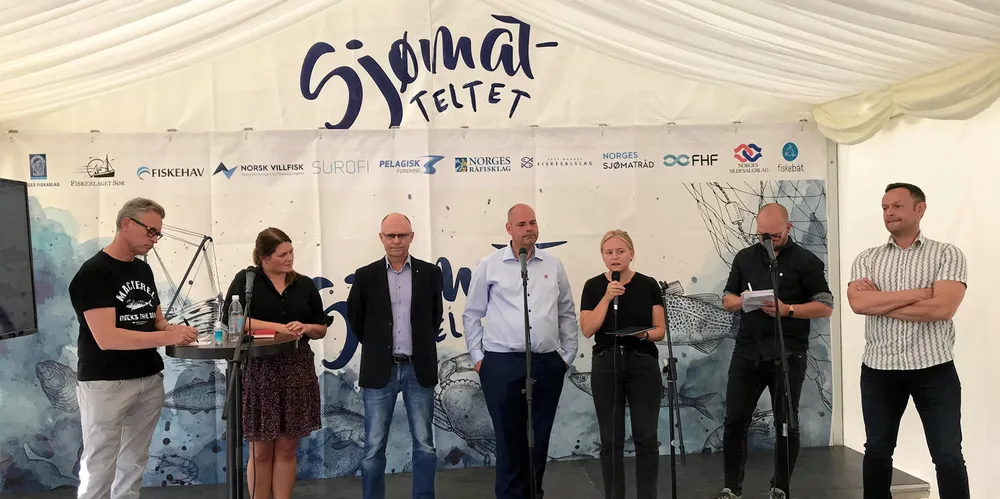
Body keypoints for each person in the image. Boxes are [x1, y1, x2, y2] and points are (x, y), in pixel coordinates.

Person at [68, 197, 198, 499]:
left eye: (158, 233)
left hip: (148, 378)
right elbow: (107, 338)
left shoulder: (143, 270)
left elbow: (156, 320)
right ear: (126, 223)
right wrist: (168, 338)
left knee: (135, 462)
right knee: (99, 464)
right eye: (150, 231)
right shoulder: (93, 273)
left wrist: (172, 330)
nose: (154, 239)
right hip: (106, 382)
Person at [846, 183, 969, 499]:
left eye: (897, 206)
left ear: (920, 209)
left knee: (948, 455)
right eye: (885, 207)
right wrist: (920, 294)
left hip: (934, 369)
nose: (889, 213)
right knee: (877, 451)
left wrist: (881, 302)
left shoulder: (947, 254)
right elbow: (859, 304)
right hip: (879, 369)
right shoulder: (867, 258)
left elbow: (942, 309)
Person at [715, 203, 834, 499]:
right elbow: (727, 299)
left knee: (786, 423)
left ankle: (780, 487)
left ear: (788, 228)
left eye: (774, 236)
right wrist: (743, 300)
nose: (767, 241)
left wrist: (788, 309)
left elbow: (825, 305)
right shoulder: (744, 258)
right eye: (761, 236)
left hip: (788, 351)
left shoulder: (806, 261)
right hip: (747, 350)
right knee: (735, 421)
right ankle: (731, 488)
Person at [462, 203, 580, 499]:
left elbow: (566, 311)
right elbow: (472, 314)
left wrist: (566, 356)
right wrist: (479, 359)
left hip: (546, 363)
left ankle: (533, 494)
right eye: (522, 224)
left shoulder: (553, 266)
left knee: (539, 440)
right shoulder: (489, 265)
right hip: (501, 365)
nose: (529, 229)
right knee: (509, 441)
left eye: (533, 223)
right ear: (509, 229)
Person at [222, 227, 330, 499]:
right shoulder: (247, 281)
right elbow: (233, 320)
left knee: (286, 448)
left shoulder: (304, 285)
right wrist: (280, 327)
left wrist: (305, 327)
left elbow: (320, 328)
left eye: (291, 252)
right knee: (260, 450)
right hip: (260, 369)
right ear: (263, 257)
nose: (289, 258)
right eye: (282, 254)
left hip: (297, 369)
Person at [346, 212, 444, 499]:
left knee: (425, 444)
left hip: (418, 369)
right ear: (381, 238)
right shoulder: (365, 276)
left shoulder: (430, 273)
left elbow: (435, 317)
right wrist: (379, 347)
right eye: (391, 235)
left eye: (402, 235)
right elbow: (356, 319)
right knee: (373, 447)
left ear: (412, 237)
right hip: (380, 370)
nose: (397, 241)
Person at [579, 230, 665, 499]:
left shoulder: (648, 285)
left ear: (631, 254)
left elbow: (660, 330)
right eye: (609, 252)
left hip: (642, 362)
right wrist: (607, 297)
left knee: (646, 437)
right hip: (607, 364)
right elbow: (587, 329)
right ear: (603, 256)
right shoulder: (593, 286)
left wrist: (642, 335)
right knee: (611, 440)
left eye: (620, 251)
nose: (614, 257)